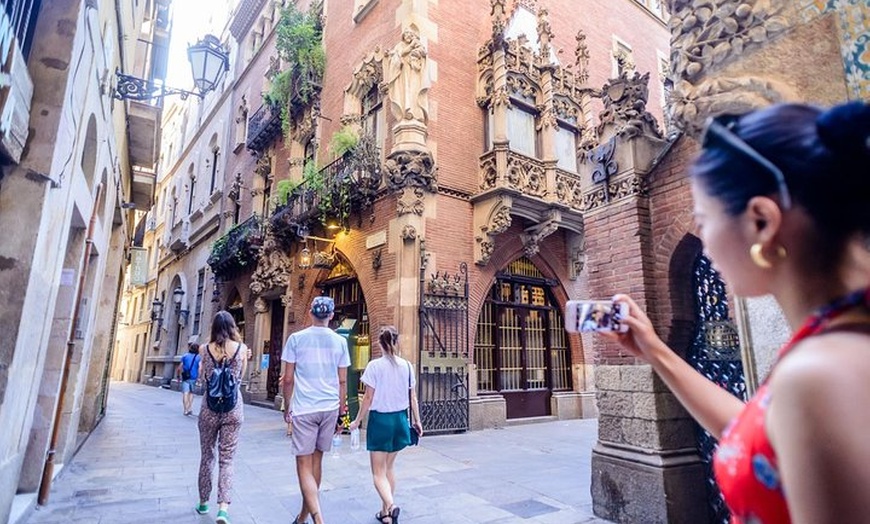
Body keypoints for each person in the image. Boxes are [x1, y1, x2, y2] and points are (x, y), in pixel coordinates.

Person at [600, 101, 870, 523]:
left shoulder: (818, 375)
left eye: (704, 220)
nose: (704, 243)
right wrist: (655, 351)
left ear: (761, 221)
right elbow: (759, 437)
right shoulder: (839, 341)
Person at [282, 296, 350, 524]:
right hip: (329, 408)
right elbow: (343, 382)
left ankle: (318, 520)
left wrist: (287, 405)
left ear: (311, 313)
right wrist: (342, 412)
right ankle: (302, 517)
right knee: (317, 462)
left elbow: (288, 379)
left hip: (304, 408)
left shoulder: (296, 339)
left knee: (303, 464)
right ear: (331, 316)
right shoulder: (340, 342)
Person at [349, 326, 423, 524]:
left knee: (377, 472)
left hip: (380, 421)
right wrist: (417, 421)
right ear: (396, 342)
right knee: (389, 468)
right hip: (400, 420)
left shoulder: (374, 366)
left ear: (379, 344)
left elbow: (368, 397)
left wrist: (357, 421)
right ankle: (385, 514)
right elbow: (413, 397)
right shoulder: (407, 366)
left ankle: (391, 505)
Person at [195, 311, 248, 524]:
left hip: (209, 408)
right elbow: (240, 378)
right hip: (233, 408)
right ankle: (223, 509)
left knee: (207, 456)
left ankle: (203, 502)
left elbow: (202, 376)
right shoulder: (242, 349)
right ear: (233, 327)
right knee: (227, 459)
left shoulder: (203, 349)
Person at [177, 342, 201, 416]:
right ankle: (189, 408)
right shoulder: (198, 357)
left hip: (186, 377)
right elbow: (200, 368)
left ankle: (185, 410)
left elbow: (180, 367)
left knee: (185, 393)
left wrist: (178, 375)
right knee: (191, 393)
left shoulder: (185, 356)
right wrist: (199, 377)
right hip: (194, 377)